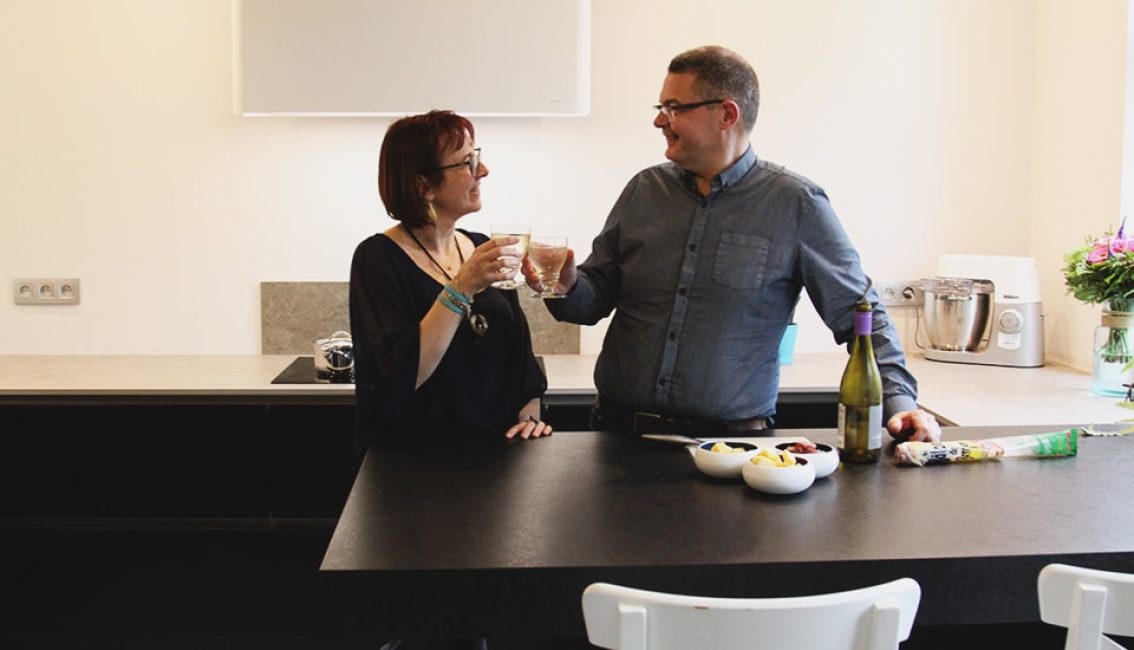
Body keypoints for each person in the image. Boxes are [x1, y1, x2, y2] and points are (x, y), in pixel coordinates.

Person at [528, 45, 941, 444]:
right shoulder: (643, 190)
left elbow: (862, 316)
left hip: (730, 450)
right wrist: (567, 286)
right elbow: (594, 299)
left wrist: (900, 403)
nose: (659, 121)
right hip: (616, 437)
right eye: (660, 108)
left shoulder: (796, 204)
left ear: (727, 114)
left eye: (674, 108)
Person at [350, 109, 551, 457]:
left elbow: (520, 360)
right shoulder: (378, 258)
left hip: (497, 459)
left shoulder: (479, 246)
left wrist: (529, 417)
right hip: (414, 463)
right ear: (423, 186)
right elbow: (397, 375)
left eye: (477, 156)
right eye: (467, 162)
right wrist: (461, 288)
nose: (483, 170)